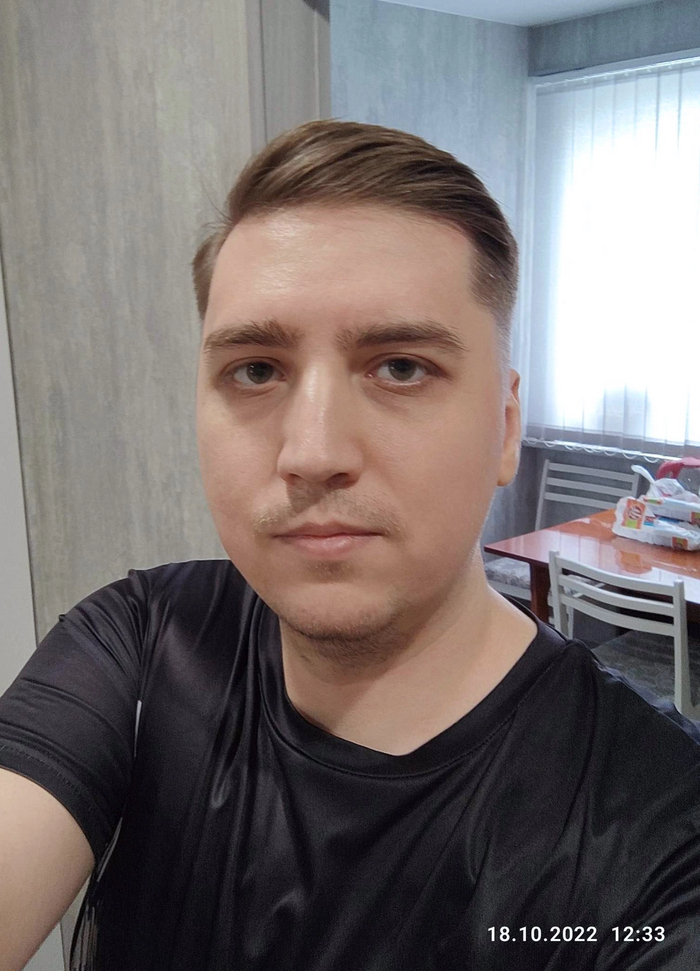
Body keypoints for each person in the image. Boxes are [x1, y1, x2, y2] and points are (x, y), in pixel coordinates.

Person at [0, 119, 699, 971]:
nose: (313, 452)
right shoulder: (143, 642)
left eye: (400, 366)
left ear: (506, 425)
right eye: (256, 369)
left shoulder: (658, 832)